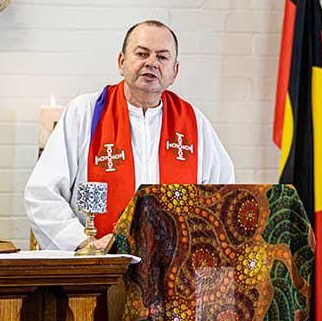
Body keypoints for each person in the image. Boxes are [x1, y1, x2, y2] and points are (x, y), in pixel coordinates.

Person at [25, 20, 235, 251]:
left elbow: (221, 198)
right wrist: (85, 243)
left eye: (162, 57)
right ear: (122, 62)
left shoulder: (193, 123)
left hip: (172, 270)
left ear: (174, 72)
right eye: (142, 53)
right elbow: (42, 193)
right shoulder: (84, 113)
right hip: (100, 267)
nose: (151, 63)